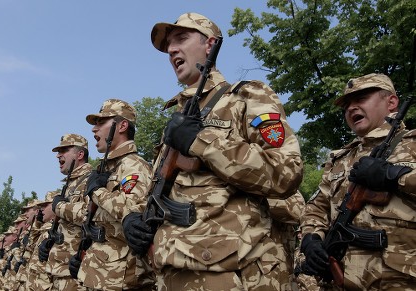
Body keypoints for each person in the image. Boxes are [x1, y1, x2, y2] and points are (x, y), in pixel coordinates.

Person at [123, 12, 303, 290]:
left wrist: (203, 141)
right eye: (169, 45)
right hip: (172, 271)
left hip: (233, 273)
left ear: (210, 44)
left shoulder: (246, 97)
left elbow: (286, 173)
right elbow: (161, 188)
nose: (172, 50)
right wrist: (134, 218)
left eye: (181, 38)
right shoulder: (179, 118)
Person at [300, 73, 416, 289]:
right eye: (346, 105)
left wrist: (395, 175)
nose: (351, 108)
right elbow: (316, 208)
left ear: (391, 102)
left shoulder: (412, 143)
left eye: (361, 99)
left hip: (401, 280)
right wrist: (311, 239)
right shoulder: (339, 158)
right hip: (341, 281)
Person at [68, 99, 155, 290]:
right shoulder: (106, 169)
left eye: (101, 122)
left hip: (122, 278)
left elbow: (133, 213)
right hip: (98, 273)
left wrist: (97, 191)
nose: (94, 129)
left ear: (123, 125)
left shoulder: (134, 165)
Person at [38, 133, 93, 291]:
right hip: (59, 271)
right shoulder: (70, 185)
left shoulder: (90, 180)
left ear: (80, 154)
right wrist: (49, 241)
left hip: (76, 272)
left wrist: (60, 207)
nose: (58, 155)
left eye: (64, 150)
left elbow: (89, 216)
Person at [26, 191, 59, 291]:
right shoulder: (44, 228)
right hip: (36, 284)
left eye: (45, 205)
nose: (42, 209)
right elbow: (30, 246)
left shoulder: (61, 228)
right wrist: (37, 223)